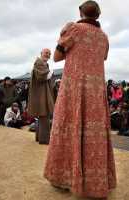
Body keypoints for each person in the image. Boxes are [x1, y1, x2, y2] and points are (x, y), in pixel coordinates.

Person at [44, 1, 116, 198]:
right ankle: (96, 184)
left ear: (80, 12)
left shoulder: (73, 29)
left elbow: (57, 57)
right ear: (98, 16)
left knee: (68, 128)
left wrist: (63, 36)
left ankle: (65, 179)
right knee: (94, 137)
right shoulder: (104, 37)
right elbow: (103, 58)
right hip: (95, 91)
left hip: (74, 90)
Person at [27, 48, 54, 144]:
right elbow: (42, 76)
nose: (48, 55)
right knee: (44, 117)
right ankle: (44, 139)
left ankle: (40, 137)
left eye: (49, 53)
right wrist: (50, 73)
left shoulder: (43, 64)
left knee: (42, 117)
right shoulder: (39, 63)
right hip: (41, 95)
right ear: (41, 53)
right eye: (46, 53)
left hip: (41, 94)